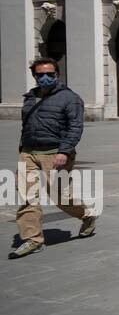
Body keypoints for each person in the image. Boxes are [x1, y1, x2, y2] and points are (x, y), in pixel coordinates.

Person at [11, 59, 96, 259]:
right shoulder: (30, 97)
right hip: (29, 152)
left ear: (57, 75)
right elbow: (27, 125)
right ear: (35, 76)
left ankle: (87, 215)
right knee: (27, 196)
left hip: (55, 153)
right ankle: (33, 239)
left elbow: (75, 127)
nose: (45, 78)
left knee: (59, 196)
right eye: (40, 74)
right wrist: (23, 149)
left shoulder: (70, 98)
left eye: (50, 74)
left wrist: (64, 151)